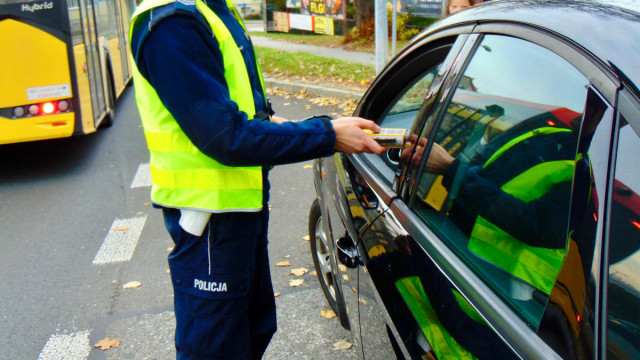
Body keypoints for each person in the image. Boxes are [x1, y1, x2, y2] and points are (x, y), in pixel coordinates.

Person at [128, 0, 385, 358]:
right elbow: (225, 136)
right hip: (209, 224)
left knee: (254, 329)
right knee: (216, 348)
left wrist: (328, 129)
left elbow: (254, 115)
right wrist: (327, 135)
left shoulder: (213, 9)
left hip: (240, 212)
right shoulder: (173, 22)